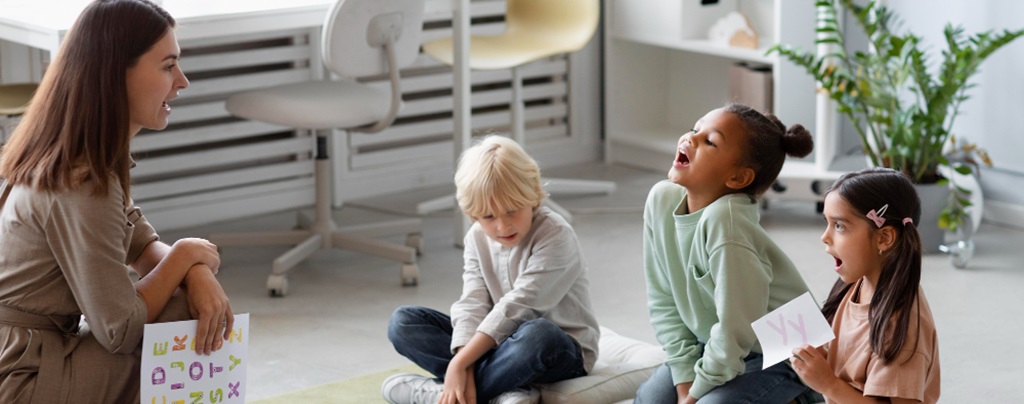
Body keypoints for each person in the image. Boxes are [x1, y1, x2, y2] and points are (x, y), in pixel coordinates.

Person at [0, 1, 233, 402]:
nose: (182, 81)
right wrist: (184, 256)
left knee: (188, 298)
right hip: (23, 375)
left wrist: (195, 273)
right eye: (167, 65)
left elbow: (140, 244)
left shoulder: (79, 153)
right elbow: (120, 330)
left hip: (22, 353)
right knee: (183, 316)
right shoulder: (82, 180)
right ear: (116, 73)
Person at [383, 135, 600, 404]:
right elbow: (473, 302)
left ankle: (440, 395)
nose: (502, 226)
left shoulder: (556, 234)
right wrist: (464, 361)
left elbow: (521, 307)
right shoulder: (476, 237)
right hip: (498, 348)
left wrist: (458, 364)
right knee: (403, 322)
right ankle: (505, 389)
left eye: (512, 211)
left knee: (538, 334)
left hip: (557, 350)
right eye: (488, 216)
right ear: (474, 215)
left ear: (531, 196)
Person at [636, 104, 818, 403]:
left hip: (784, 353)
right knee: (650, 398)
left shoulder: (727, 221)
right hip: (714, 343)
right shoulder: (662, 200)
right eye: (696, 129)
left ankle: (796, 398)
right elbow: (663, 298)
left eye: (710, 141)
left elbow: (736, 330)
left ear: (737, 178)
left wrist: (695, 394)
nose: (691, 138)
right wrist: (685, 382)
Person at [790, 167, 940, 403]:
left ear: (884, 238)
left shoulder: (901, 326)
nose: (825, 236)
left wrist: (827, 383)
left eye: (839, 226)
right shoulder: (857, 283)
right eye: (827, 223)